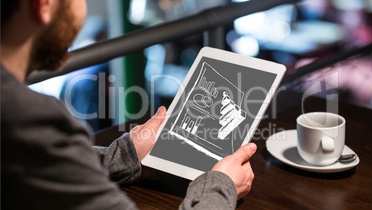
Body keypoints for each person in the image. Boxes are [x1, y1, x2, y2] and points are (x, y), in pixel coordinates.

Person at [0, 0, 256, 209]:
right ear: (43, 5)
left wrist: (127, 155)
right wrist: (221, 187)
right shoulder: (26, 117)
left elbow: (47, 167)